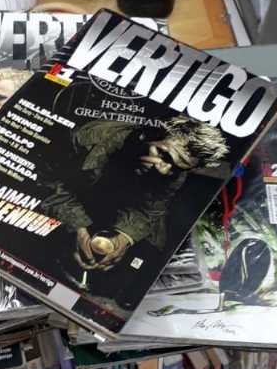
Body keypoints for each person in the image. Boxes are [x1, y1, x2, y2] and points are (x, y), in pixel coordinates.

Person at [36, 115, 231, 306]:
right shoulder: (88, 138)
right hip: (70, 198)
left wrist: (124, 238)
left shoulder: (175, 174)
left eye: (176, 167)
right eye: (162, 154)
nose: (163, 169)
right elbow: (47, 182)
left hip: (120, 206)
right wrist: (78, 227)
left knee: (139, 265)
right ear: (148, 136)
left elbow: (150, 210)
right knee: (49, 260)